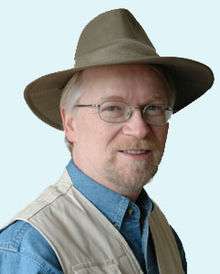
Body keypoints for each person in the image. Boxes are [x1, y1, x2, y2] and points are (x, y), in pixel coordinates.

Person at [0, 8, 214, 274]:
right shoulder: (33, 251)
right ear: (70, 123)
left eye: (154, 108)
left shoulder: (162, 233)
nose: (139, 129)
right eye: (112, 108)